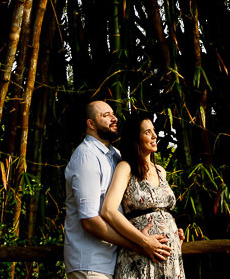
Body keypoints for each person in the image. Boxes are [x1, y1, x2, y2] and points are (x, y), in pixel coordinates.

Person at [64, 101, 171, 279]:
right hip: (91, 263)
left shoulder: (116, 155)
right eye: (105, 115)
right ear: (90, 124)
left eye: (113, 114)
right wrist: (139, 243)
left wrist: (166, 229)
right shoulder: (86, 157)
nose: (114, 119)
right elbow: (90, 220)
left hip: (113, 261)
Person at [100, 114, 186, 279]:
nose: (154, 136)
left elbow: (161, 211)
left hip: (169, 255)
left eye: (154, 131)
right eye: (148, 132)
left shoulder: (161, 171)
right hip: (140, 253)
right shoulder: (126, 168)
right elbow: (108, 210)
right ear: (135, 138)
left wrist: (173, 230)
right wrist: (142, 241)